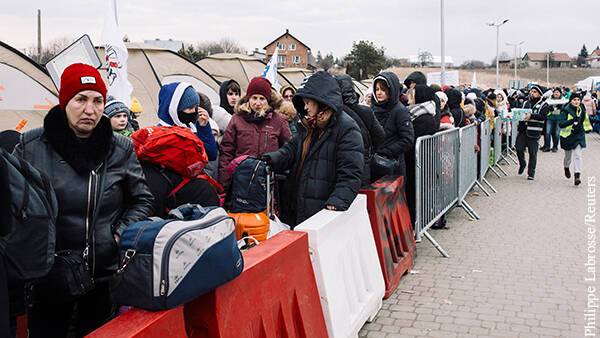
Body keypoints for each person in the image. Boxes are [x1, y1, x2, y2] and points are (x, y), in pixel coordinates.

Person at [13, 63, 153, 337]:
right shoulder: (31, 148)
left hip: (103, 277)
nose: (90, 110)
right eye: (80, 99)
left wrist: (117, 235)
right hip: (47, 280)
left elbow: (142, 200)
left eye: (97, 100)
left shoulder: (120, 149)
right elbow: (15, 211)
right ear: (64, 101)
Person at [263, 71, 364, 227]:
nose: (305, 107)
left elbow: (351, 173)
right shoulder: (310, 124)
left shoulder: (347, 129)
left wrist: (337, 201)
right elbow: (291, 149)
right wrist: (271, 159)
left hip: (321, 209)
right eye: (303, 103)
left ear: (321, 101)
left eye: (308, 102)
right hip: (299, 202)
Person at [218, 77, 291, 187]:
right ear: (248, 98)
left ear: (268, 100)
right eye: (254, 98)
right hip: (241, 180)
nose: (257, 103)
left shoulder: (279, 121)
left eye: (262, 98)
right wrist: (224, 183)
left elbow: (288, 150)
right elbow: (227, 151)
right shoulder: (237, 119)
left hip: (268, 182)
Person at [335, 74, 385, 186]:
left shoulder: (334, 114)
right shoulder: (365, 111)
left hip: (339, 168)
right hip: (363, 166)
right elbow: (380, 136)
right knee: (362, 201)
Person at [157, 82, 217, 161]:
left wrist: (204, 127)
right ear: (175, 109)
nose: (194, 111)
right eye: (190, 108)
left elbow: (211, 155)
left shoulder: (192, 127)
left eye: (196, 107)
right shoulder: (160, 134)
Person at [371, 72, 414, 177]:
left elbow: (407, 139)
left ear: (391, 90)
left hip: (392, 164)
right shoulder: (373, 108)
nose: (379, 93)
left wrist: (385, 152)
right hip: (375, 162)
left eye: (383, 89)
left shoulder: (400, 111)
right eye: (377, 89)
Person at [559, 92, 592, 186]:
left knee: (578, 155)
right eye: (574, 100)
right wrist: (571, 121)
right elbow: (561, 124)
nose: (576, 101)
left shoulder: (582, 109)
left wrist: (588, 128)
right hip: (568, 136)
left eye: (578, 99)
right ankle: (566, 167)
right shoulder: (565, 110)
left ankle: (577, 176)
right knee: (568, 156)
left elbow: (585, 119)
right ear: (570, 101)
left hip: (579, 134)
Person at [517, 85, 546, 180]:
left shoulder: (544, 104)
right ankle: (522, 163)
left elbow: (543, 116)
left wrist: (531, 116)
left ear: (539, 94)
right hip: (522, 130)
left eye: (535, 92)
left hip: (534, 132)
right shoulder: (525, 103)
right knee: (519, 148)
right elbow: (520, 112)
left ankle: (531, 173)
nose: (532, 93)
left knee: (532, 153)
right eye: (531, 91)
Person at [543, 88, 565, 152]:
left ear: (560, 93)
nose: (556, 93)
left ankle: (555, 146)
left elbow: (565, 109)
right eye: (555, 92)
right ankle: (547, 146)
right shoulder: (549, 99)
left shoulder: (563, 100)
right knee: (547, 132)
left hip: (559, 119)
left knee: (557, 133)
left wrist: (560, 107)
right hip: (550, 118)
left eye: (558, 92)